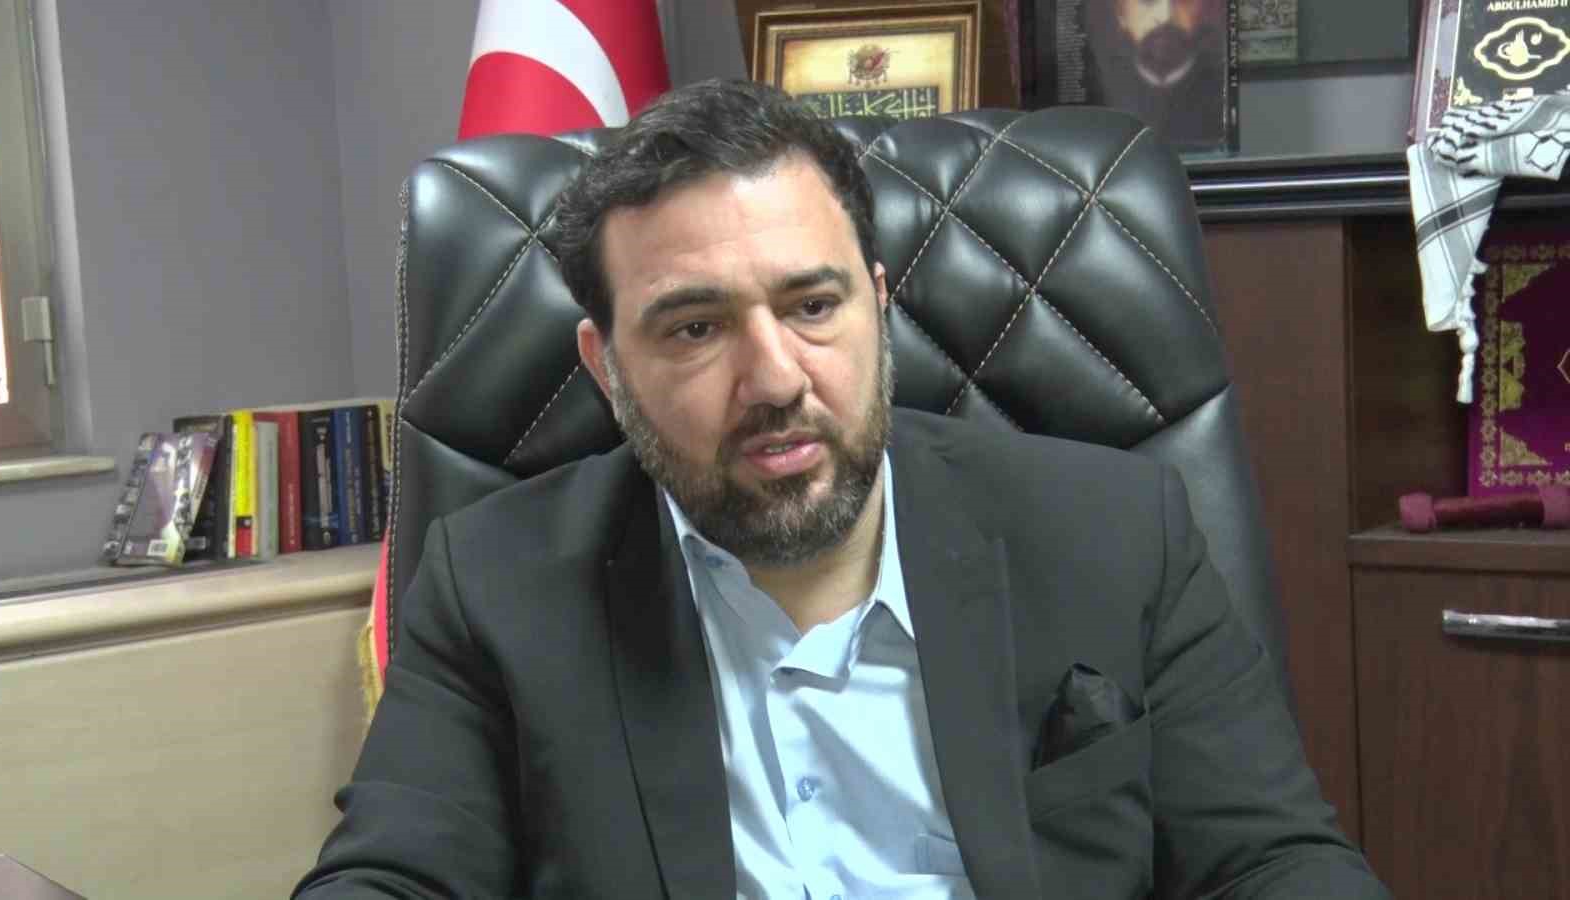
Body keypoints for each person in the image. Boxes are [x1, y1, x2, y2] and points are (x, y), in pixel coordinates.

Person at [294, 79, 1387, 898]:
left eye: (812, 306)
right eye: (695, 328)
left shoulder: (1110, 532)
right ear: (606, 366)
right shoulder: (498, 585)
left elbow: (1270, 862)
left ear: (876, 303)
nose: (775, 379)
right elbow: (394, 873)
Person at [1084, 0, 1231, 150]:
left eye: (1183, 2)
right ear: (1120, 13)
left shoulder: (1224, 94)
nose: (1165, 16)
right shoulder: (1098, 94)